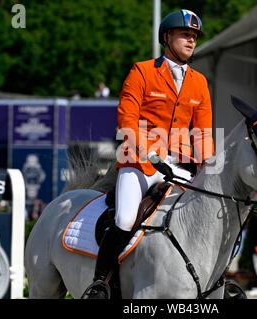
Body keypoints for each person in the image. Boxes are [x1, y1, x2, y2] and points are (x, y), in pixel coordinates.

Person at [82, 9, 214, 299]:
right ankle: (99, 283)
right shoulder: (142, 71)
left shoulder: (199, 82)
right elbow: (127, 120)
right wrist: (150, 154)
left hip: (180, 167)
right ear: (167, 37)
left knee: (207, 217)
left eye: (194, 36)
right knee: (127, 218)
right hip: (141, 164)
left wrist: (207, 169)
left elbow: (202, 133)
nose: (191, 40)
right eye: (185, 34)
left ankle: (214, 284)